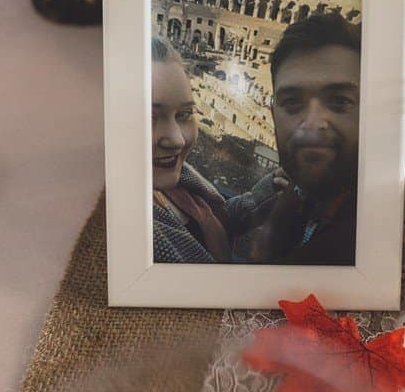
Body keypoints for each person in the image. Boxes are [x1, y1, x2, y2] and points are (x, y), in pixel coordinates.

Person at [229, 13, 360, 266]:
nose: (312, 124)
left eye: (340, 101)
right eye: (291, 102)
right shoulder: (295, 205)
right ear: (273, 113)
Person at [150, 37, 232, 263]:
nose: (177, 140)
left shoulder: (178, 182)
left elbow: (217, 216)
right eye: (147, 117)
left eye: (184, 114)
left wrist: (266, 196)